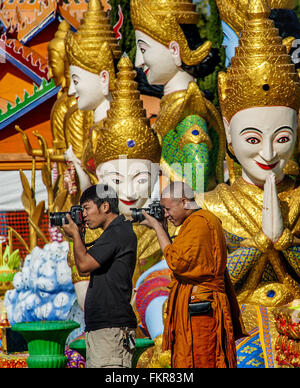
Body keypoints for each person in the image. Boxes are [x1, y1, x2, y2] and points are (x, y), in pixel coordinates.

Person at [140, 181, 246, 368]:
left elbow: (177, 263)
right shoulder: (196, 222)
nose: (166, 214)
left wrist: (157, 227)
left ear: (184, 202)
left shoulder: (199, 223)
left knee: (201, 360)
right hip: (197, 306)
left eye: (168, 209)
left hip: (201, 310)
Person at [62, 184, 137, 368]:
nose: (84, 215)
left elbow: (84, 266)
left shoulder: (117, 232)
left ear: (105, 207)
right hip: (104, 329)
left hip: (111, 329)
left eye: (87, 208)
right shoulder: (113, 233)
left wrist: (75, 236)